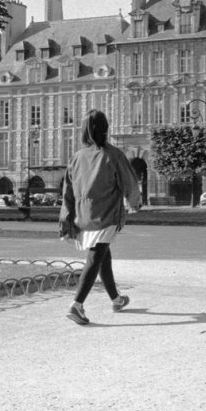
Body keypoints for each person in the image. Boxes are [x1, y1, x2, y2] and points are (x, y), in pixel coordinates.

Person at [59, 109, 142, 325]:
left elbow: (67, 190)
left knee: (103, 256)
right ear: (105, 129)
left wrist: (67, 217)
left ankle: (116, 299)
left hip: (83, 215)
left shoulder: (76, 157)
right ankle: (76, 305)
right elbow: (129, 181)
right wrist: (135, 203)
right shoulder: (113, 155)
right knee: (96, 257)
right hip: (106, 215)